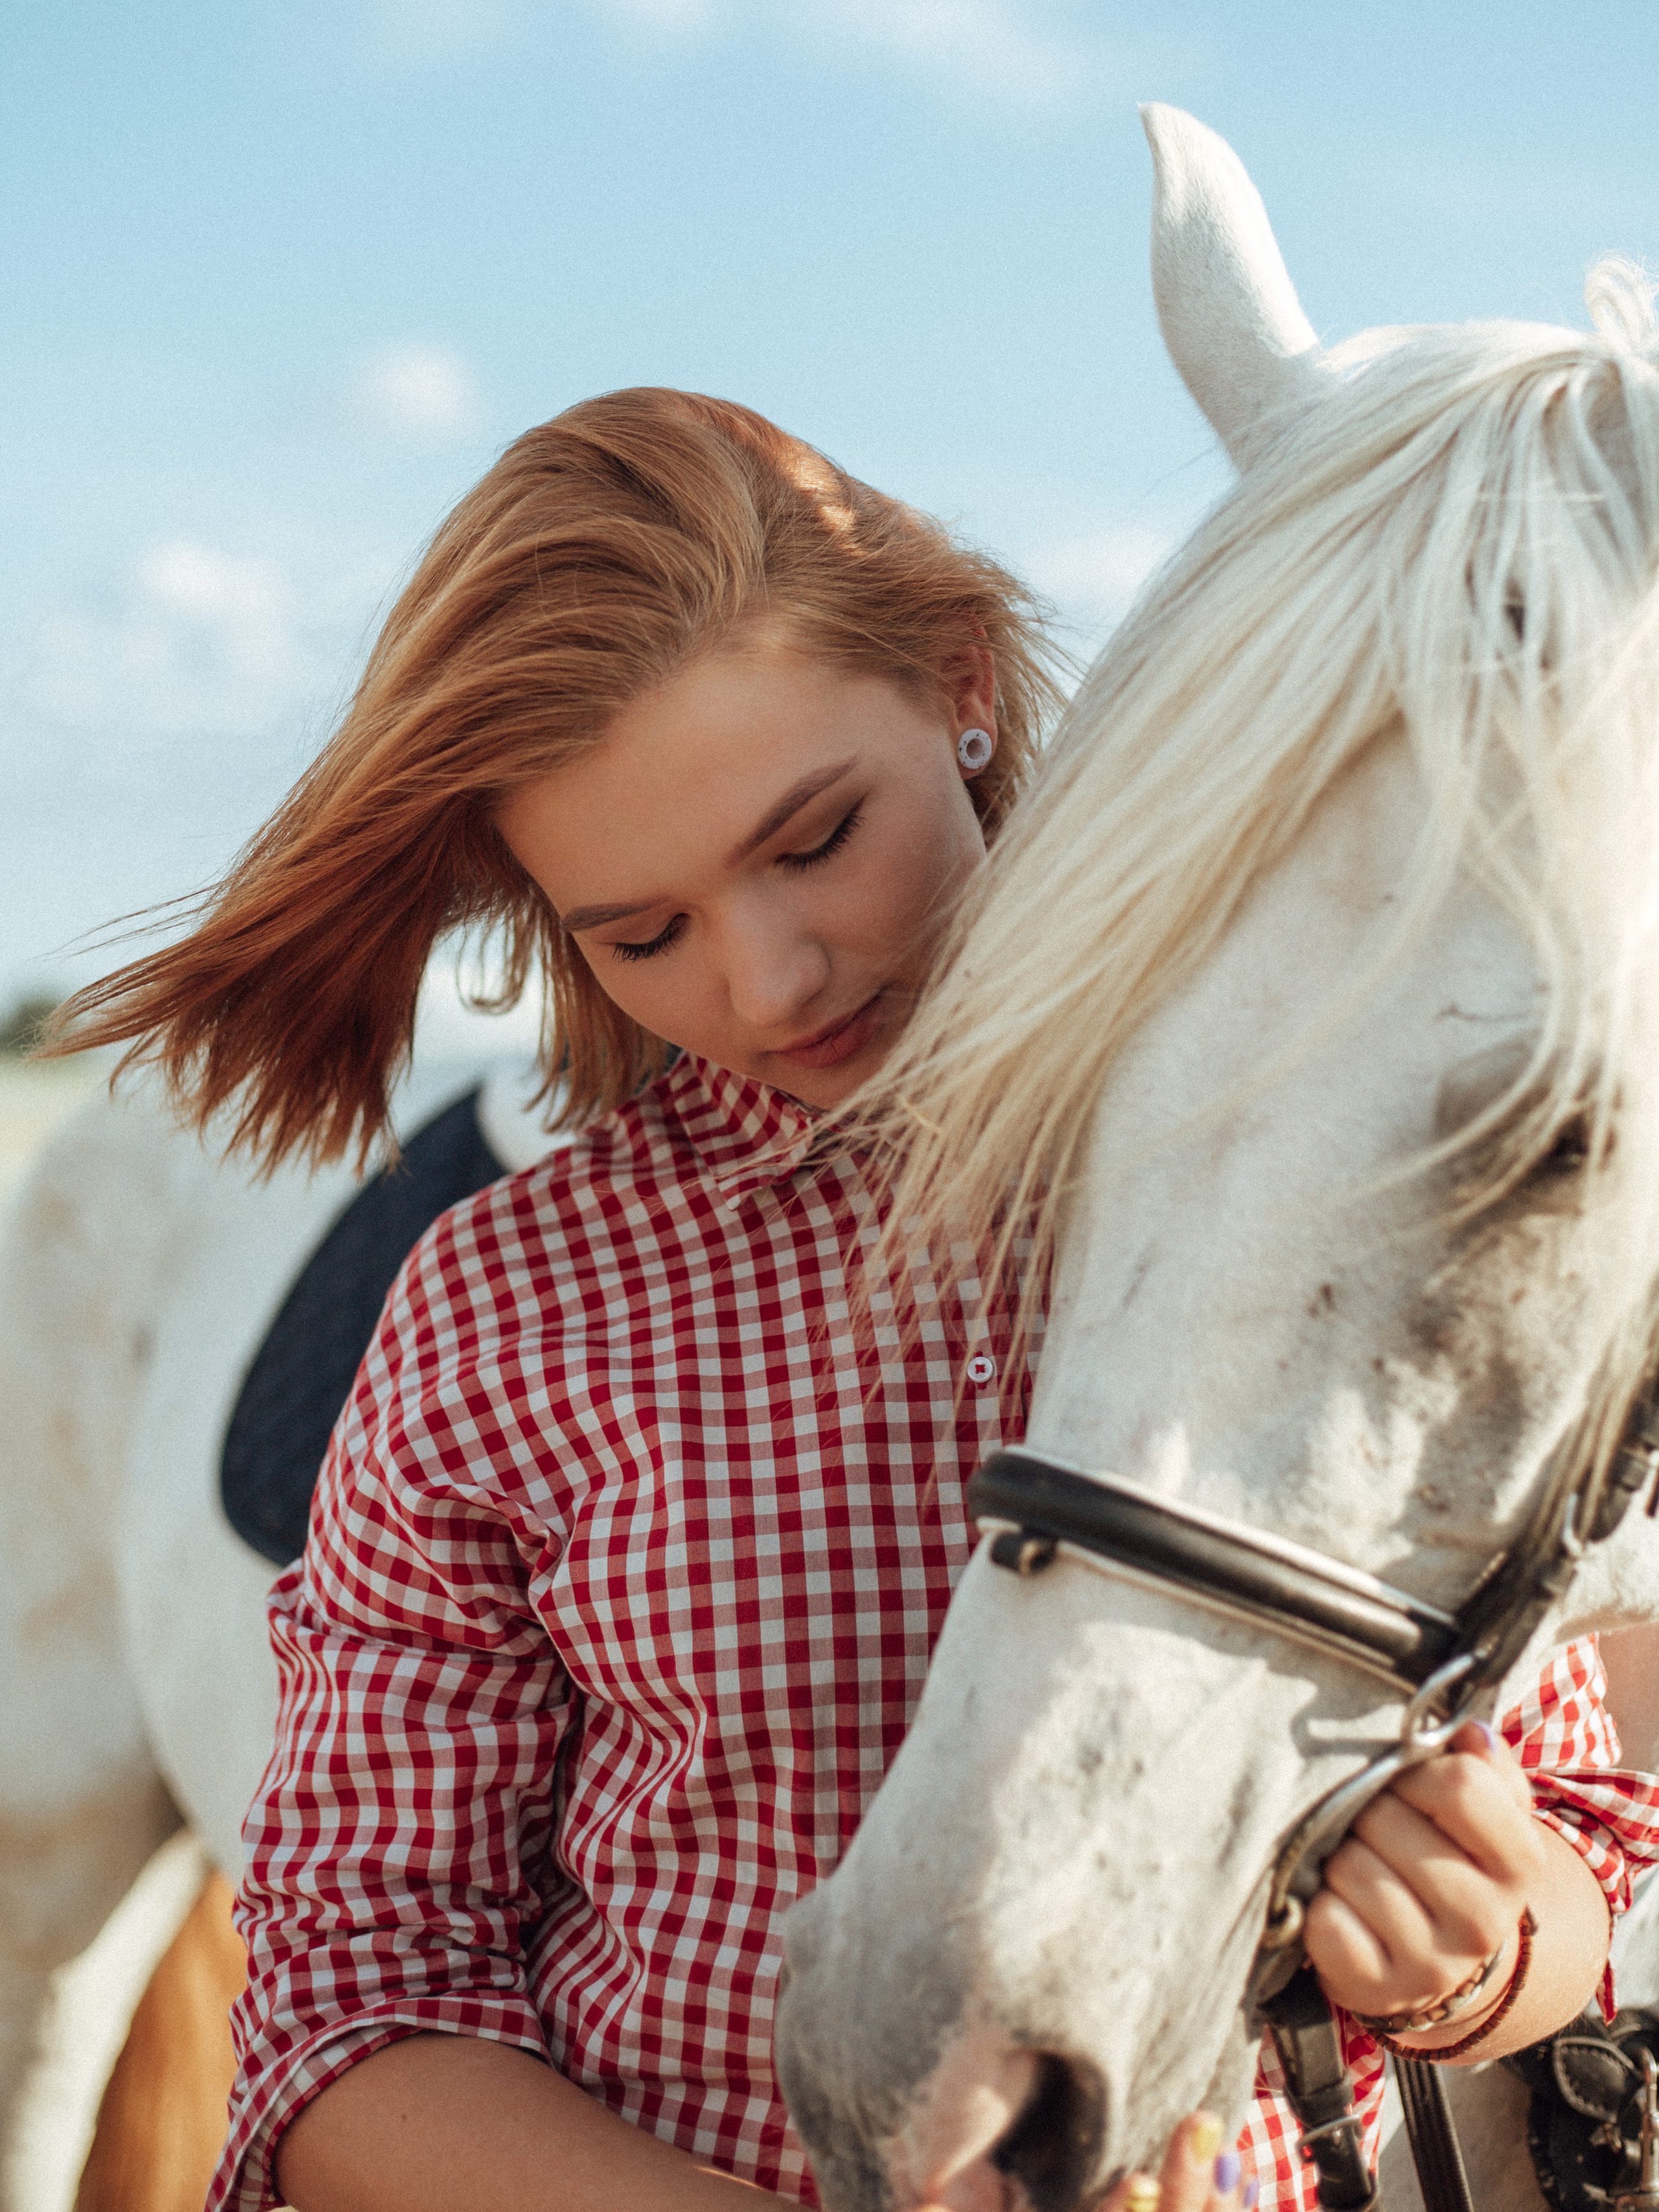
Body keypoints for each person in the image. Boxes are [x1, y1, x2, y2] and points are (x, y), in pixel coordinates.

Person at [54, 388, 1659, 2212]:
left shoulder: (1323, 1186)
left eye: (815, 839)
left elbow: (1583, 1828)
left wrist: (1490, 1949)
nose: (768, 981)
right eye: (640, 933)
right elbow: (346, 2015)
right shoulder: (509, 1307)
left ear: (963, 682)